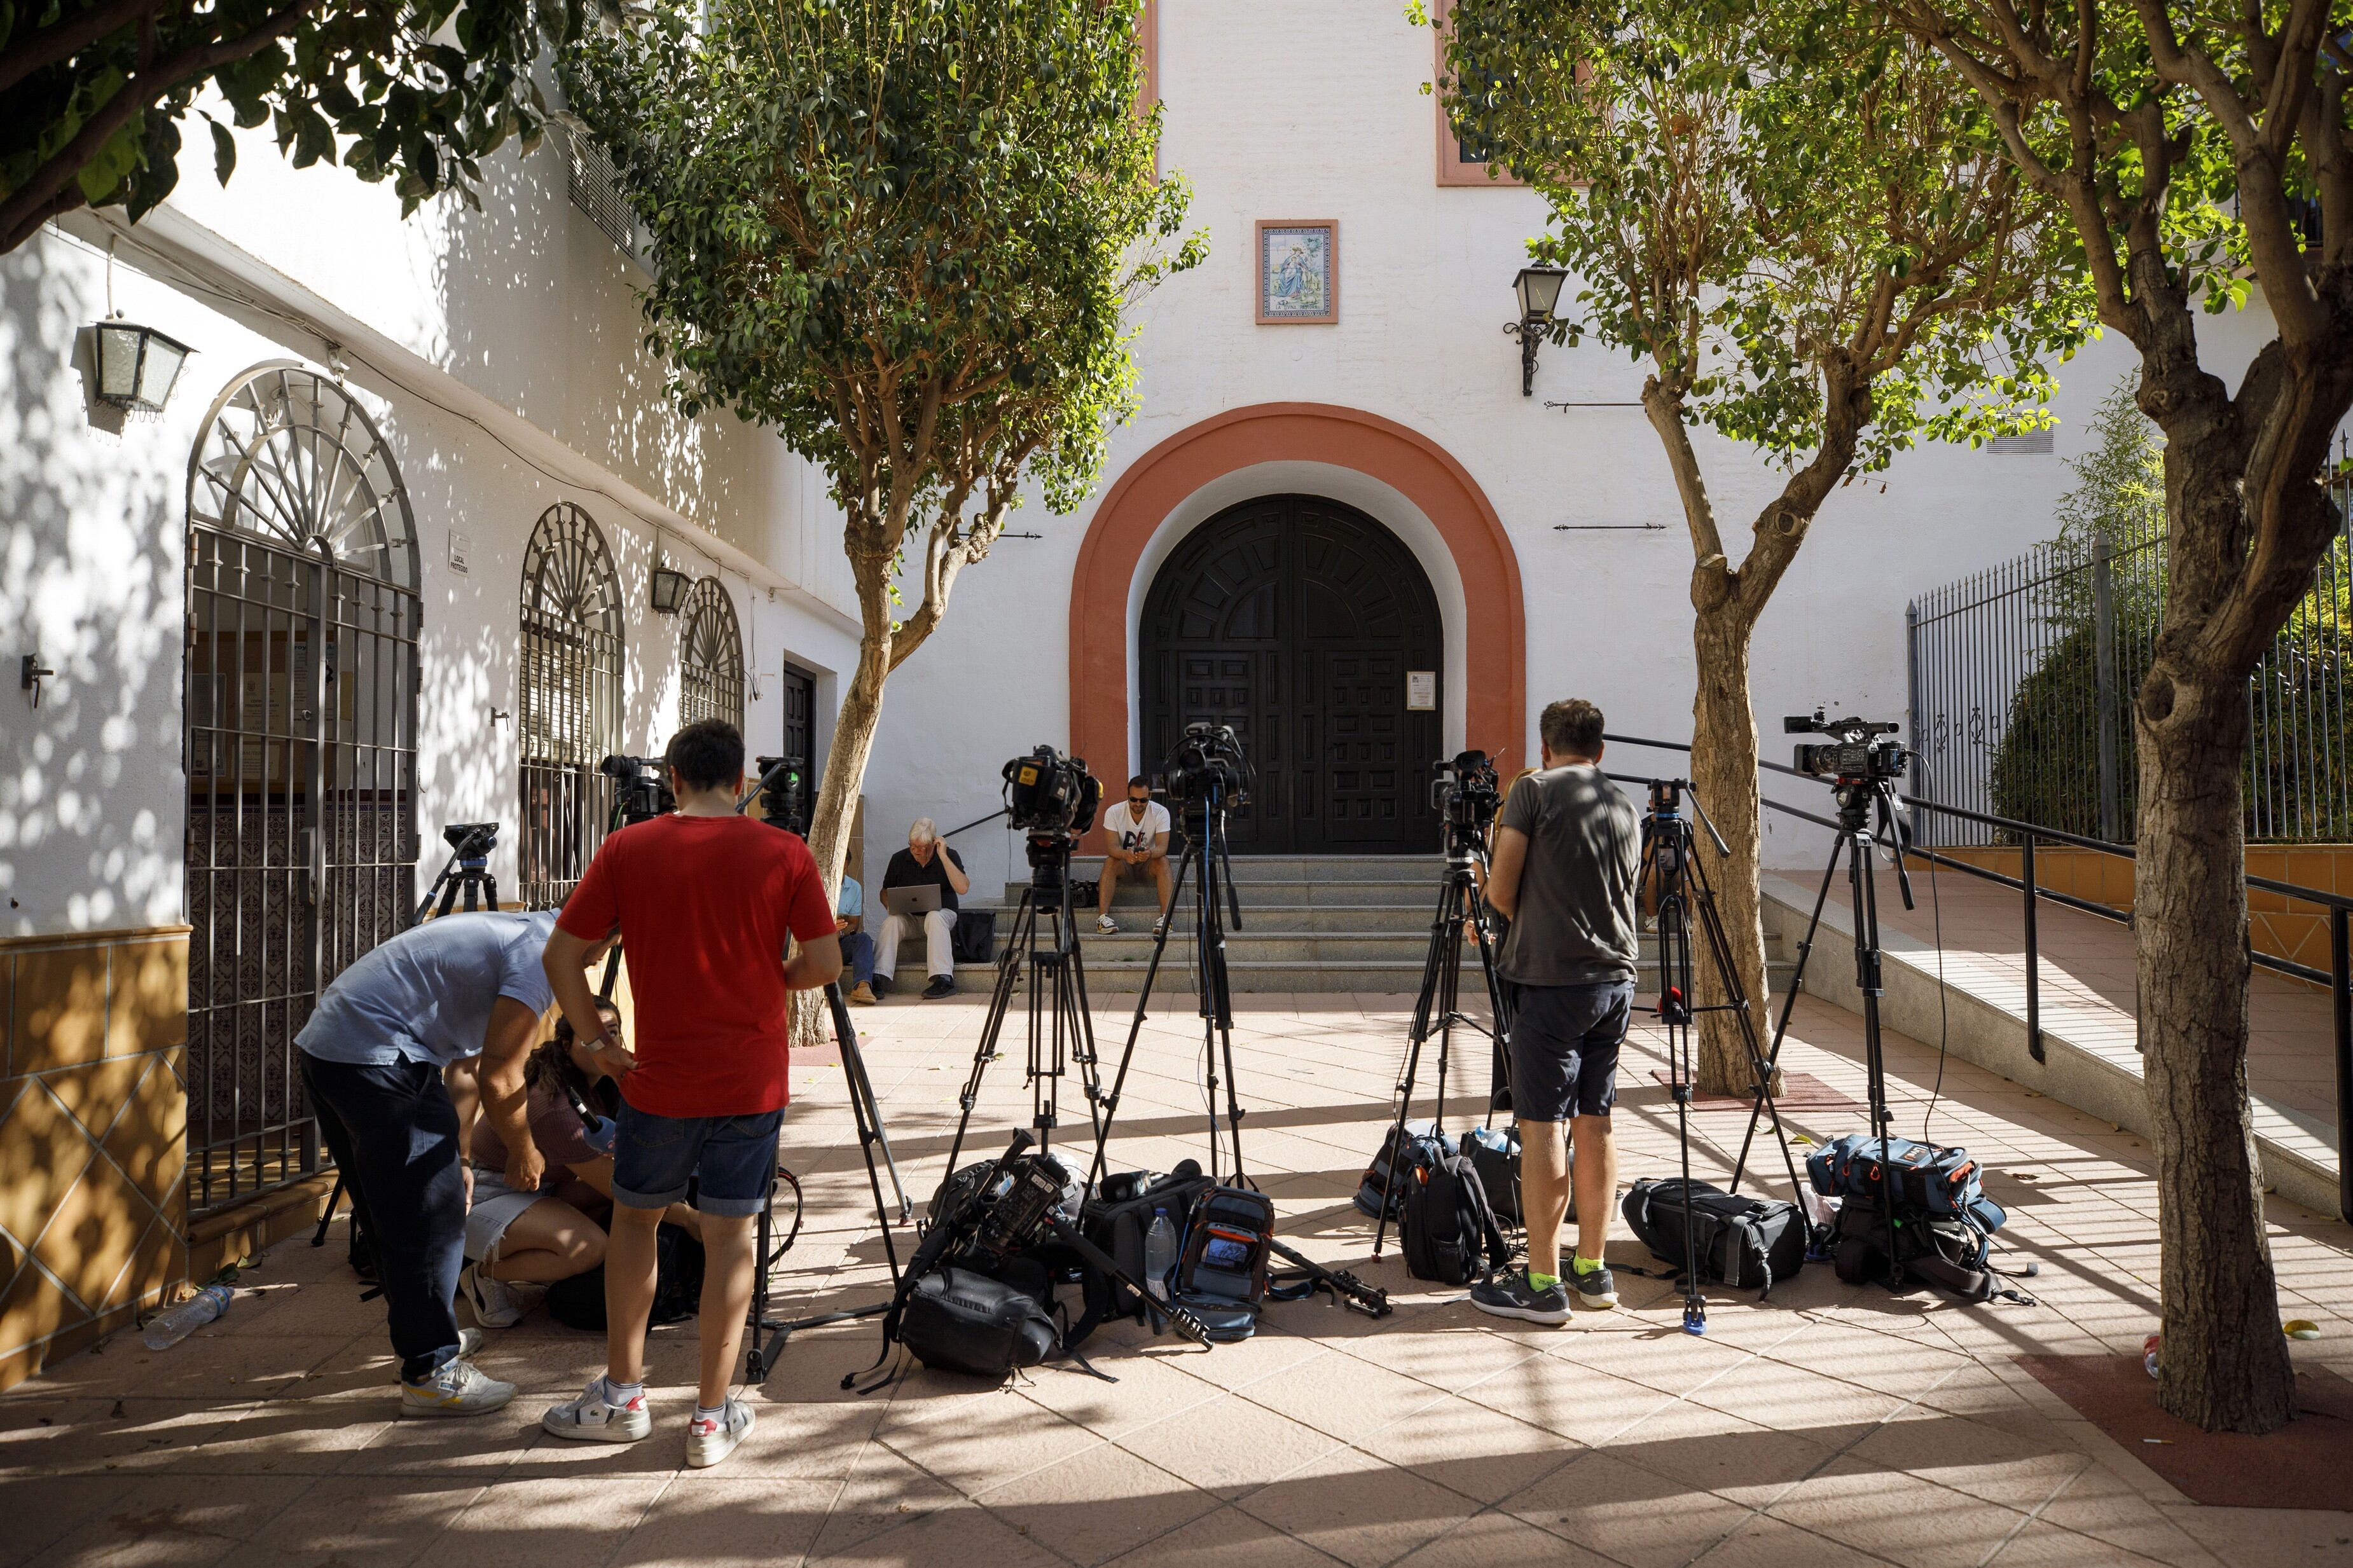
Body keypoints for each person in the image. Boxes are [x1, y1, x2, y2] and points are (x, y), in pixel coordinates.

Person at [539, 719, 841, 1469]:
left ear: (673, 779)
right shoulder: (785, 851)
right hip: (752, 1080)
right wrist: (774, 977)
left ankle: (622, 1397)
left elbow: (562, 955)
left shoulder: (628, 848)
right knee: (731, 1237)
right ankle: (711, 1417)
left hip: (659, 1082)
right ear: (741, 783)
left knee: (635, 1223)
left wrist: (596, 1046)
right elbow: (827, 963)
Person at [293, 907, 612, 1415]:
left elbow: (465, 1067)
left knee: (391, 1209)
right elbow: (500, 1076)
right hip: (380, 1058)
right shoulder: (541, 957)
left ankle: (424, 1339)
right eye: (605, 950)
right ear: (594, 935)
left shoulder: (525, 936)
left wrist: (461, 1157)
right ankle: (430, 1372)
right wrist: (524, 1149)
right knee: (432, 1219)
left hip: (337, 1050)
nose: (595, 964)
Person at [1475, 698, 1639, 1325]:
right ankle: (1592, 1269)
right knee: (1595, 1122)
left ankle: (1542, 1284)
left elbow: (1501, 890)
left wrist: (1498, 900)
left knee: (1542, 1126)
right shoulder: (1622, 803)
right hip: (1614, 981)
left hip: (1550, 983)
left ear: (1545, 748)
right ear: (1600, 750)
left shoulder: (1533, 791)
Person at [452, 1003, 704, 1327]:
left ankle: (546, 1260)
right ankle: (483, 1274)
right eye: (591, 1036)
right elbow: (618, 1187)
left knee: (616, 1204)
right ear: (565, 1044)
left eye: (611, 1033)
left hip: (540, 1186)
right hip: (485, 1195)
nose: (604, 1044)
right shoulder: (556, 1107)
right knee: (588, 1248)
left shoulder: (600, 1082)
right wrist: (689, 1218)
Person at [874, 818, 968, 1000]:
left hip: (943, 916)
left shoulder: (949, 855)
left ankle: (944, 979)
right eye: (912, 846)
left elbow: (963, 888)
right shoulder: (899, 859)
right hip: (911, 918)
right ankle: (879, 976)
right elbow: (884, 891)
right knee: (892, 921)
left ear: (933, 843)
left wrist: (943, 856)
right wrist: (889, 905)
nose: (916, 851)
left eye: (921, 847)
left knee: (934, 916)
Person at [1095, 775, 1173, 935]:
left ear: (1150, 796)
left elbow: (1163, 848)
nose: (1138, 804)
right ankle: (1102, 919)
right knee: (1110, 861)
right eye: (1133, 799)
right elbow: (1111, 848)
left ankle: (1166, 919)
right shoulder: (1114, 812)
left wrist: (1150, 853)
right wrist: (1125, 854)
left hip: (1149, 866)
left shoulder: (1161, 812)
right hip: (1126, 866)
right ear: (1127, 795)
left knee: (1163, 861)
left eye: (1143, 800)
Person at [836, 874, 878, 1005]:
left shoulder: (854, 887)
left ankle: (862, 986)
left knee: (863, 939)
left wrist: (840, 932)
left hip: (838, 943)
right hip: (816, 945)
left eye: (844, 866)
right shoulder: (812, 882)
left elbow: (854, 924)